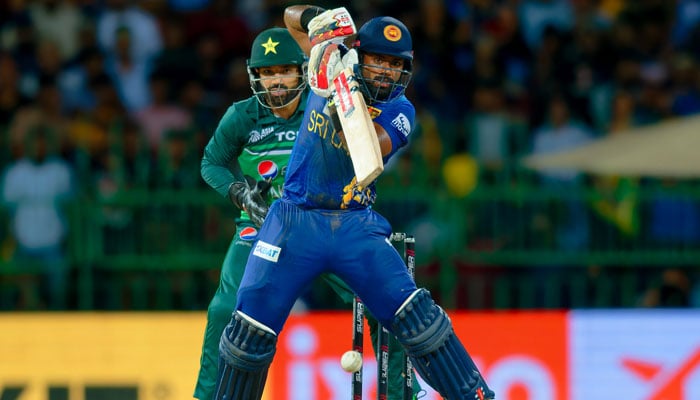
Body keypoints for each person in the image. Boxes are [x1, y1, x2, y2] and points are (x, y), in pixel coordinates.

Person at [212, 5, 495, 400]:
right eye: (376, 60)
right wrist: (318, 23)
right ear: (358, 56)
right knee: (247, 337)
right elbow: (290, 16)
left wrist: (342, 94)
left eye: (394, 65)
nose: (384, 71)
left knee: (422, 322)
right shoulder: (325, 65)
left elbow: (369, 154)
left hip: (354, 225)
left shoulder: (400, 110)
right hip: (293, 221)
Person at [196, 26, 419, 400]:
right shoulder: (242, 116)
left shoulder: (323, 102)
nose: (277, 81)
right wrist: (239, 193)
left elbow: (372, 137)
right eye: (268, 73)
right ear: (255, 77)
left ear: (303, 71)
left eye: (285, 70)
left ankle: (400, 396)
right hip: (263, 229)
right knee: (223, 310)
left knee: (392, 306)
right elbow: (211, 162)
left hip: (327, 224)